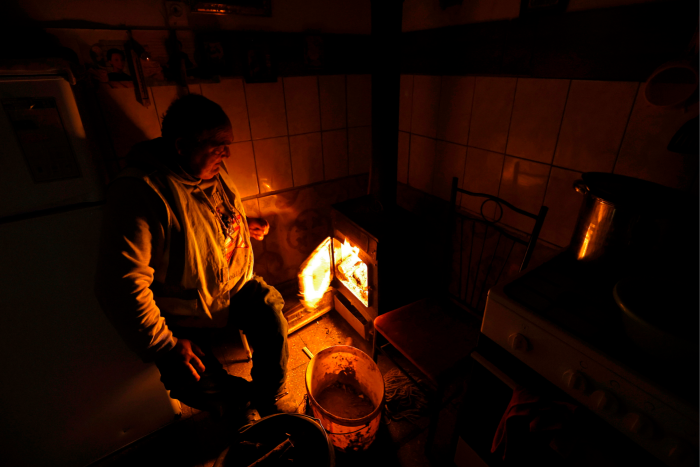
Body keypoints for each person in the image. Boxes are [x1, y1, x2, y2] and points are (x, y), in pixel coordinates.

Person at [95, 94, 292, 419]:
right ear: (182, 146)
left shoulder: (207, 169)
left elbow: (205, 217)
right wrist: (167, 346)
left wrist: (242, 223)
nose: (226, 153)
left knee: (270, 312)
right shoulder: (139, 193)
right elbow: (119, 286)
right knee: (192, 380)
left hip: (233, 287)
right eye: (217, 146)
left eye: (227, 144)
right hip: (183, 311)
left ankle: (271, 396)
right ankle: (245, 404)